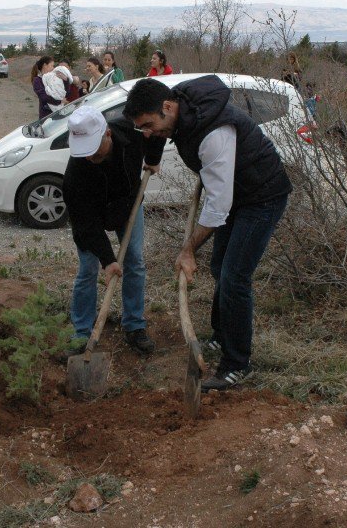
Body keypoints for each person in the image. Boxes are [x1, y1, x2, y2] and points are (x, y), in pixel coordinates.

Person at [124, 75, 292, 391]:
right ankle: (220, 335)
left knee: (234, 277)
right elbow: (158, 133)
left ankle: (236, 364)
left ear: (167, 106)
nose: (147, 133)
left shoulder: (213, 133)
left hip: (261, 195)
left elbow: (218, 205)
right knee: (220, 268)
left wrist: (188, 249)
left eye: (148, 124)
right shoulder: (177, 110)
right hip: (236, 192)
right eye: (142, 128)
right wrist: (152, 160)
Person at [63, 106, 164, 355]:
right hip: (92, 214)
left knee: (134, 262)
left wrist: (153, 158)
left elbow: (157, 130)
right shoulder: (74, 175)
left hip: (128, 204)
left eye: (93, 149)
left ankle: (134, 325)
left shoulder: (132, 131)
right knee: (87, 268)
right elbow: (86, 225)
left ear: (107, 134)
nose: (88, 157)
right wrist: (108, 260)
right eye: (83, 151)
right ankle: (81, 332)